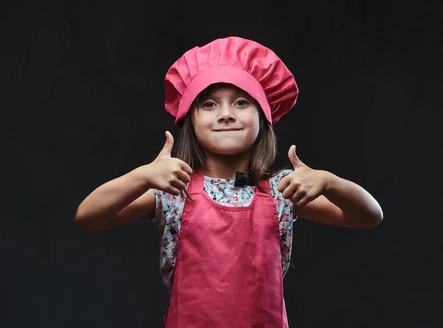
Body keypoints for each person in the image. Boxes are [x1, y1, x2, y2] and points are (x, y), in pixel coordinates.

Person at [74, 36, 383, 327]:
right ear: (189, 119)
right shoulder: (173, 190)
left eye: (241, 102)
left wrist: (329, 182)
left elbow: (368, 217)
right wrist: (142, 176)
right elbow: (89, 216)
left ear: (264, 117)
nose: (225, 114)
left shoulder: (282, 192)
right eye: (209, 104)